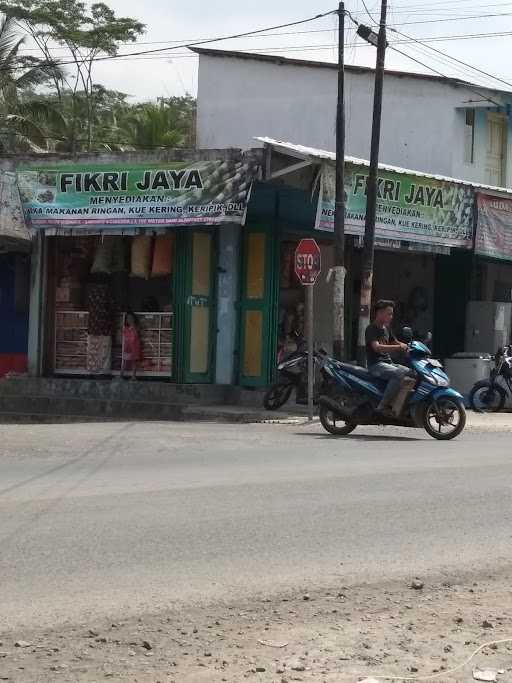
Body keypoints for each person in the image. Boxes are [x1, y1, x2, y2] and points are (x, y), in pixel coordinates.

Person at [365, 300, 410, 415]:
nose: (391, 317)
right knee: (399, 373)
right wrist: (397, 347)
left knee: (410, 372)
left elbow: (395, 341)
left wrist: (409, 348)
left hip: (388, 363)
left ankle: (400, 404)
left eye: (392, 314)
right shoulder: (371, 329)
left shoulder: (386, 328)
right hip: (376, 365)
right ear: (379, 313)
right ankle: (382, 406)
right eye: (389, 313)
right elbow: (377, 347)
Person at [121, 312, 142, 380]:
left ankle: (133, 376)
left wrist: (133, 327)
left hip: (135, 347)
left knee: (134, 361)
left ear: (134, 319)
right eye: (128, 318)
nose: (129, 320)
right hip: (127, 347)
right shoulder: (125, 328)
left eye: (131, 318)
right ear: (126, 320)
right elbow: (125, 337)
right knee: (125, 361)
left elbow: (137, 335)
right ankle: (121, 374)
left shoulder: (136, 327)